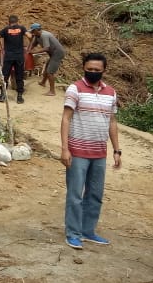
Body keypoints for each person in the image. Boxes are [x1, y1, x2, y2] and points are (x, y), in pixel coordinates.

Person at [60, 52, 119, 250]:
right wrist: (65, 149)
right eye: (89, 69)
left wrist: (117, 150)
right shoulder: (75, 89)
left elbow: (112, 122)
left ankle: (88, 231)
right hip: (77, 152)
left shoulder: (110, 92)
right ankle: (73, 233)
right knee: (75, 194)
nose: (93, 72)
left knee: (95, 194)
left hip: (99, 153)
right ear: (84, 67)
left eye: (97, 70)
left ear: (104, 70)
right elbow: (66, 118)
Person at [28, 23, 66, 96]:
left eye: (32, 31)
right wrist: (28, 51)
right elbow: (33, 44)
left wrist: (34, 52)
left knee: (50, 72)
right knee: (47, 68)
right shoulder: (37, 36)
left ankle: (52, 91)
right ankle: (43, 82)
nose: (32, 33)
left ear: (36, 30)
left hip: (57, 54)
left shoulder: (44, 35)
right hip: (52, 54)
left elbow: (46, 48)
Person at [0, 15, 27, 104]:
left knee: (5, 76)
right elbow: (29, 36)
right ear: (17, 21)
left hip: (9, 57)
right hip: (19, 57)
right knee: (19, 76)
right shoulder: (22, 28)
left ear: (9, 21)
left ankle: (3, 95)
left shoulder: (5, 29)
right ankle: (19, 97)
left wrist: (2, 47)